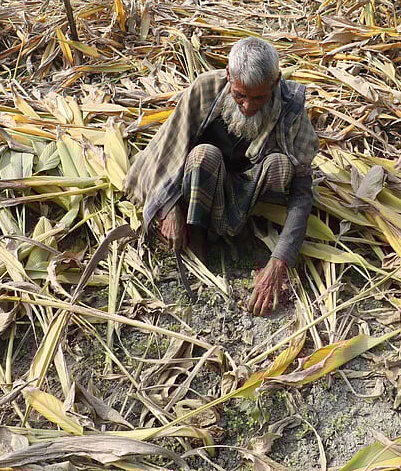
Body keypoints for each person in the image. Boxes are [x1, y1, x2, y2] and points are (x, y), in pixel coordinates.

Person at [125, 37, 319, 316]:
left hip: (250, 191)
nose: (248, 106)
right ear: (228, 78)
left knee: (279, 164)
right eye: (240, 95)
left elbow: (302, 190)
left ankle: (246, 237)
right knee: (203, 154)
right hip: (201, 182)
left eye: (259, 97)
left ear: (276, 83)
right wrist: (169, 207)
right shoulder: (206, 89)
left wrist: (280, 260)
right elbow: (170, 148)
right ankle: (198, 237)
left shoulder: (290, 110)